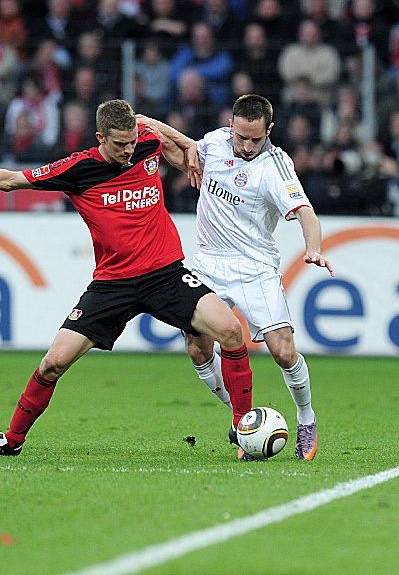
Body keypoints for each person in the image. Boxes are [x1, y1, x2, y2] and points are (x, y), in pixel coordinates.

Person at [0, 99, 254, 458]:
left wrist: (157, 128)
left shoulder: (146, 140)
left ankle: (243, 429)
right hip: (112, 284)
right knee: (53, 362)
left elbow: (175, 143)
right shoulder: (78, 168)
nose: (129, 150)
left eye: (132, 140)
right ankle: (12, 439)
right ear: (100, 137)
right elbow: (11, 180)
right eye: (119, 144)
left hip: (165, 274)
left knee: (230, 330)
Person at [143, 94, 334, 461]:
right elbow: (177, 145)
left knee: (282, 350)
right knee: (197, 346)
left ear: (270, 131)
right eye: (240, 137)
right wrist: (140, 119)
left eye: (255, 139)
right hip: (209, 264)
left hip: (254, 267)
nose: (246, 147)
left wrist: (314, 247)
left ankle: (307, 418)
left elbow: (307, 214)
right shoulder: (215, 142)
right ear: (231, 125)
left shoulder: (277, 167)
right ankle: (244, 419)